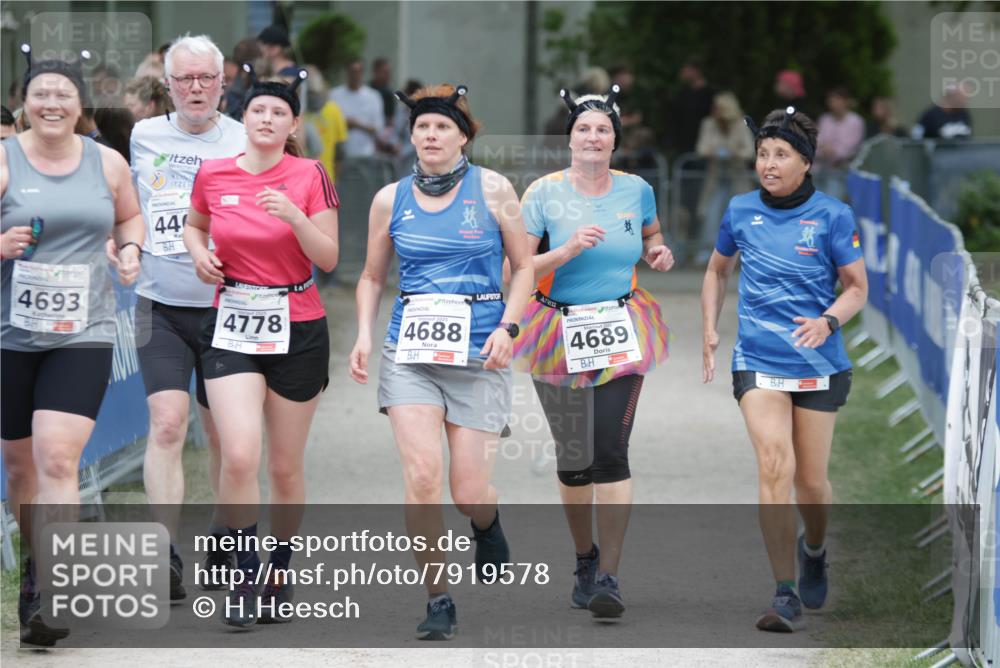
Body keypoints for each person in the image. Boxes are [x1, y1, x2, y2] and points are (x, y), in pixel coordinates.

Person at [349, 84, 533, 640]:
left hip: (480, 351)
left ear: (463, 137)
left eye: (442, 128)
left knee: (467, 490)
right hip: (413, 353)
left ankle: (487, 520)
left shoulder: (494, 189)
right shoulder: (391, 198)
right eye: (422, 127)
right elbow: (372, 276)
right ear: (411, 136)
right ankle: (438, 597)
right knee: (423, 477)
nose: (430, 136)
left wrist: (510, 327)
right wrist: (362, 333)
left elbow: (523, 268)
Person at [183, 64, 338, 629]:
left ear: (292, 123)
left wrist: (295, 216)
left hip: (298, 324)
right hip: (234, 321)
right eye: (257, 111)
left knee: (285, 467)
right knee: (240, 452)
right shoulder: (215, 173)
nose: (267, 119)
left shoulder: (309, 175)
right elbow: (194, 226)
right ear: (241, 118)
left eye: (278, 112)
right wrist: (199, 252)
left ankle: (278, 566)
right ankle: (244, 574)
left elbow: (328, 258)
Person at [701, 107, 868, 632]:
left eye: (780, 156)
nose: (768, 164)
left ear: (806, 163)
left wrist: (827, 321)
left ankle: (813, 549)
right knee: (776, 466)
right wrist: (710, 326)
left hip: (819, 362)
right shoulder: (739, 209)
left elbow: (857, 288)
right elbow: (716, 270)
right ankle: (784, 591)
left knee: (812, 484)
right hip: (758, 361)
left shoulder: (833, 216)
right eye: (763, 154)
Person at [1, 44, 144, 646]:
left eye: (64, 94)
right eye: (41, 94)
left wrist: (130, 250)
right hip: (11, 336)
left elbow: (129, 218)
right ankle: (39, 563)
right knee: (19, 468)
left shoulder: (107, 163)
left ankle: (52, 585)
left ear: (81, 104)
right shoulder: (4, 160)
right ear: (24, 104)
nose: (52, 103)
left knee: (58, 459)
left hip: (84, 331)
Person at [513, 85, 673, 620]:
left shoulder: (637, 190)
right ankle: (585, 557)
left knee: (610, 449)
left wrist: (658, 250)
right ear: (569, 138)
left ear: (615, 139)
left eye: (603, 128)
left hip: (620, 326)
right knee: (574, 459)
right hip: (555, 329)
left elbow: (650, 236)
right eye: (583, 128)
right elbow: (517, 269)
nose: (593, 135)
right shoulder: (541, 193)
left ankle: (610, 575)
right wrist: (565, 250)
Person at [123, 33, 246, 601]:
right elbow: (130, 210)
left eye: (206, 78)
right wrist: (121, 242)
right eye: (185, 79)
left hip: (230, 308)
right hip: (160, 305)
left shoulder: (247, 139)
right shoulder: (144, 135)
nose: (196, 88)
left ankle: (225, 540)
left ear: (224, 83)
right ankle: (165, 553)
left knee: (226, 436)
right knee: (168, 424)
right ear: (167, 85)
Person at [694, 91, 754, 263]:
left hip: (737, 178)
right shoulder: (708, 123)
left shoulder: (741, 124)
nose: (714, 110)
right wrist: (715, 151)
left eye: (718, 107)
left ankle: (743, 254)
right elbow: (701, 148)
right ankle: (706, 252)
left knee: (740, 215)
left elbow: (749, 151)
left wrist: (734, 153)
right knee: (710, 214)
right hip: (715, 178)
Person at [329, 59, 384, 159]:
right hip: (341, 155)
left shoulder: (373, 96)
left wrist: (357, 124)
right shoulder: (334, 95)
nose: (355, 75)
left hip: (366, 153)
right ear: (347, 73)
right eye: (352, 72)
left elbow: (378, 128)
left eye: (358, 72)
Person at [815, 87, 864, 170]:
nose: (834, 104)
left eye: (837, 100)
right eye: (831, 101)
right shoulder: (824, 119)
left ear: (846, 102)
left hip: (844, 168)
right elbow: (816, 141)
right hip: (821, 167)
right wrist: (823, 149)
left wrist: (831, 151)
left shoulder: (856, 121)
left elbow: (849, 148)